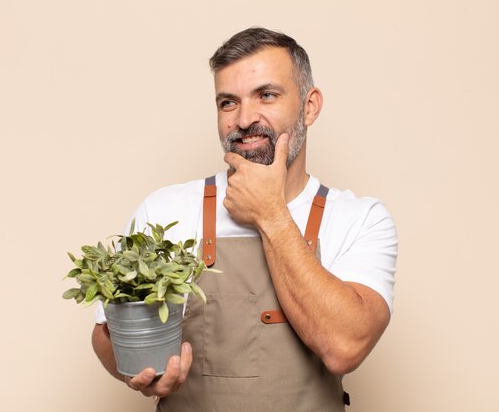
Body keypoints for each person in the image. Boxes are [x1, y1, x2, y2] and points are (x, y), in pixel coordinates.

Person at [92, 27, 398, 411]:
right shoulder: (165, 212)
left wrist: (269, 213)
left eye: (266, 95)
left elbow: (345, 348)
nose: (244, 119)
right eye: (227, 103)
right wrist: (133, 371)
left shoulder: (359, 219)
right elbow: (107, 333)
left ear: (309, 106)